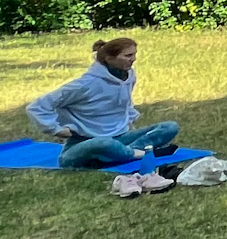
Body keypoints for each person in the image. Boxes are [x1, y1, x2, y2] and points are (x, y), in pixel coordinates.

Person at [28, 38, 181, 169]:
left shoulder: (128, 75)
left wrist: (129, 119)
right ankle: (141, 154)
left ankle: (120, 154)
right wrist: (55, 129)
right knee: (104, 144)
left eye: (134, 55)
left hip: (120, 137)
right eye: (128, 55)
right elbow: (37, 107)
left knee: (170, 127)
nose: (133, 59)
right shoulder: (86, 84)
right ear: (109, 59)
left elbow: (125, 102)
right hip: (85, 144)